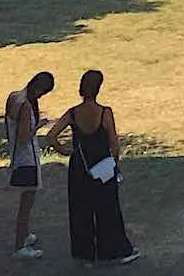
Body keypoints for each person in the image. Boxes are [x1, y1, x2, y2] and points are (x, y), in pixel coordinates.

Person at [45, 70, 139, 266]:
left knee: (81, 210)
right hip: (102, 165)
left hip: (80, 165)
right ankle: (114, 250)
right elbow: (113, 143)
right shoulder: (105, 112)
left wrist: (64, 151)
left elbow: (51, 136)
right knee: (108, 209)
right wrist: (114, 164)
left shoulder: (72, 113)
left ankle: (85, 254)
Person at [7, 71, 56, 260]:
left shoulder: (14, 97)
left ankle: (25, 235)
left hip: (18, 158)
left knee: (26, 202)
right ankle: (20, 245)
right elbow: (23, 138)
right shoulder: (26, 107)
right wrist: (39, 126)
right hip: (27, 160)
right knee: (26, 204)